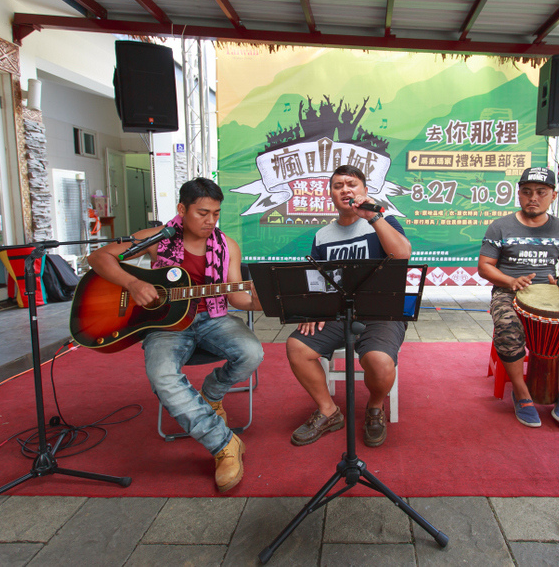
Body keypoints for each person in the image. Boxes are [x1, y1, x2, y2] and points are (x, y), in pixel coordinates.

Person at [87, 178, 263, 492]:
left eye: (216, 214)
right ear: (182, 209)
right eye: (202, 213)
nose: (211, 221)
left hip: (212, 317)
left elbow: (237, 297)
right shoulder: (157, 238)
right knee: (162, 375)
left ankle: (212, 392)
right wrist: (133, 284)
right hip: (165, 324)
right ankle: (223, 444)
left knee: (253, 353)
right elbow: (99, 258)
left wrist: (260, 301)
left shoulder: (227, 246)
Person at [286, 164, 411, 447]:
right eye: (338, 185)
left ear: (365, 191)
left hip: (382, 312)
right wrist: (314, 309)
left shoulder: (383, 221)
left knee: (378, 361)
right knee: (297, 347)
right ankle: (329, 411)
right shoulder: (322, 236)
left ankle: (375, 408)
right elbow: (318, 280)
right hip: (338, 313)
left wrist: (373, 217)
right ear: (330, 194)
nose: (345, 190)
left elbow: (402, 256)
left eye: (352, 184)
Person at [477, 167, 559, 429]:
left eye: (540, 192)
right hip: (508, 292)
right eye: (526, 192)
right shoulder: (500, 227)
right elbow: (485, 267)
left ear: (553, 195)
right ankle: (522, 394)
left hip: (551, 293)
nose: (532, 198)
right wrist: (511, 281)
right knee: (507, 327)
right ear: (519, 194)